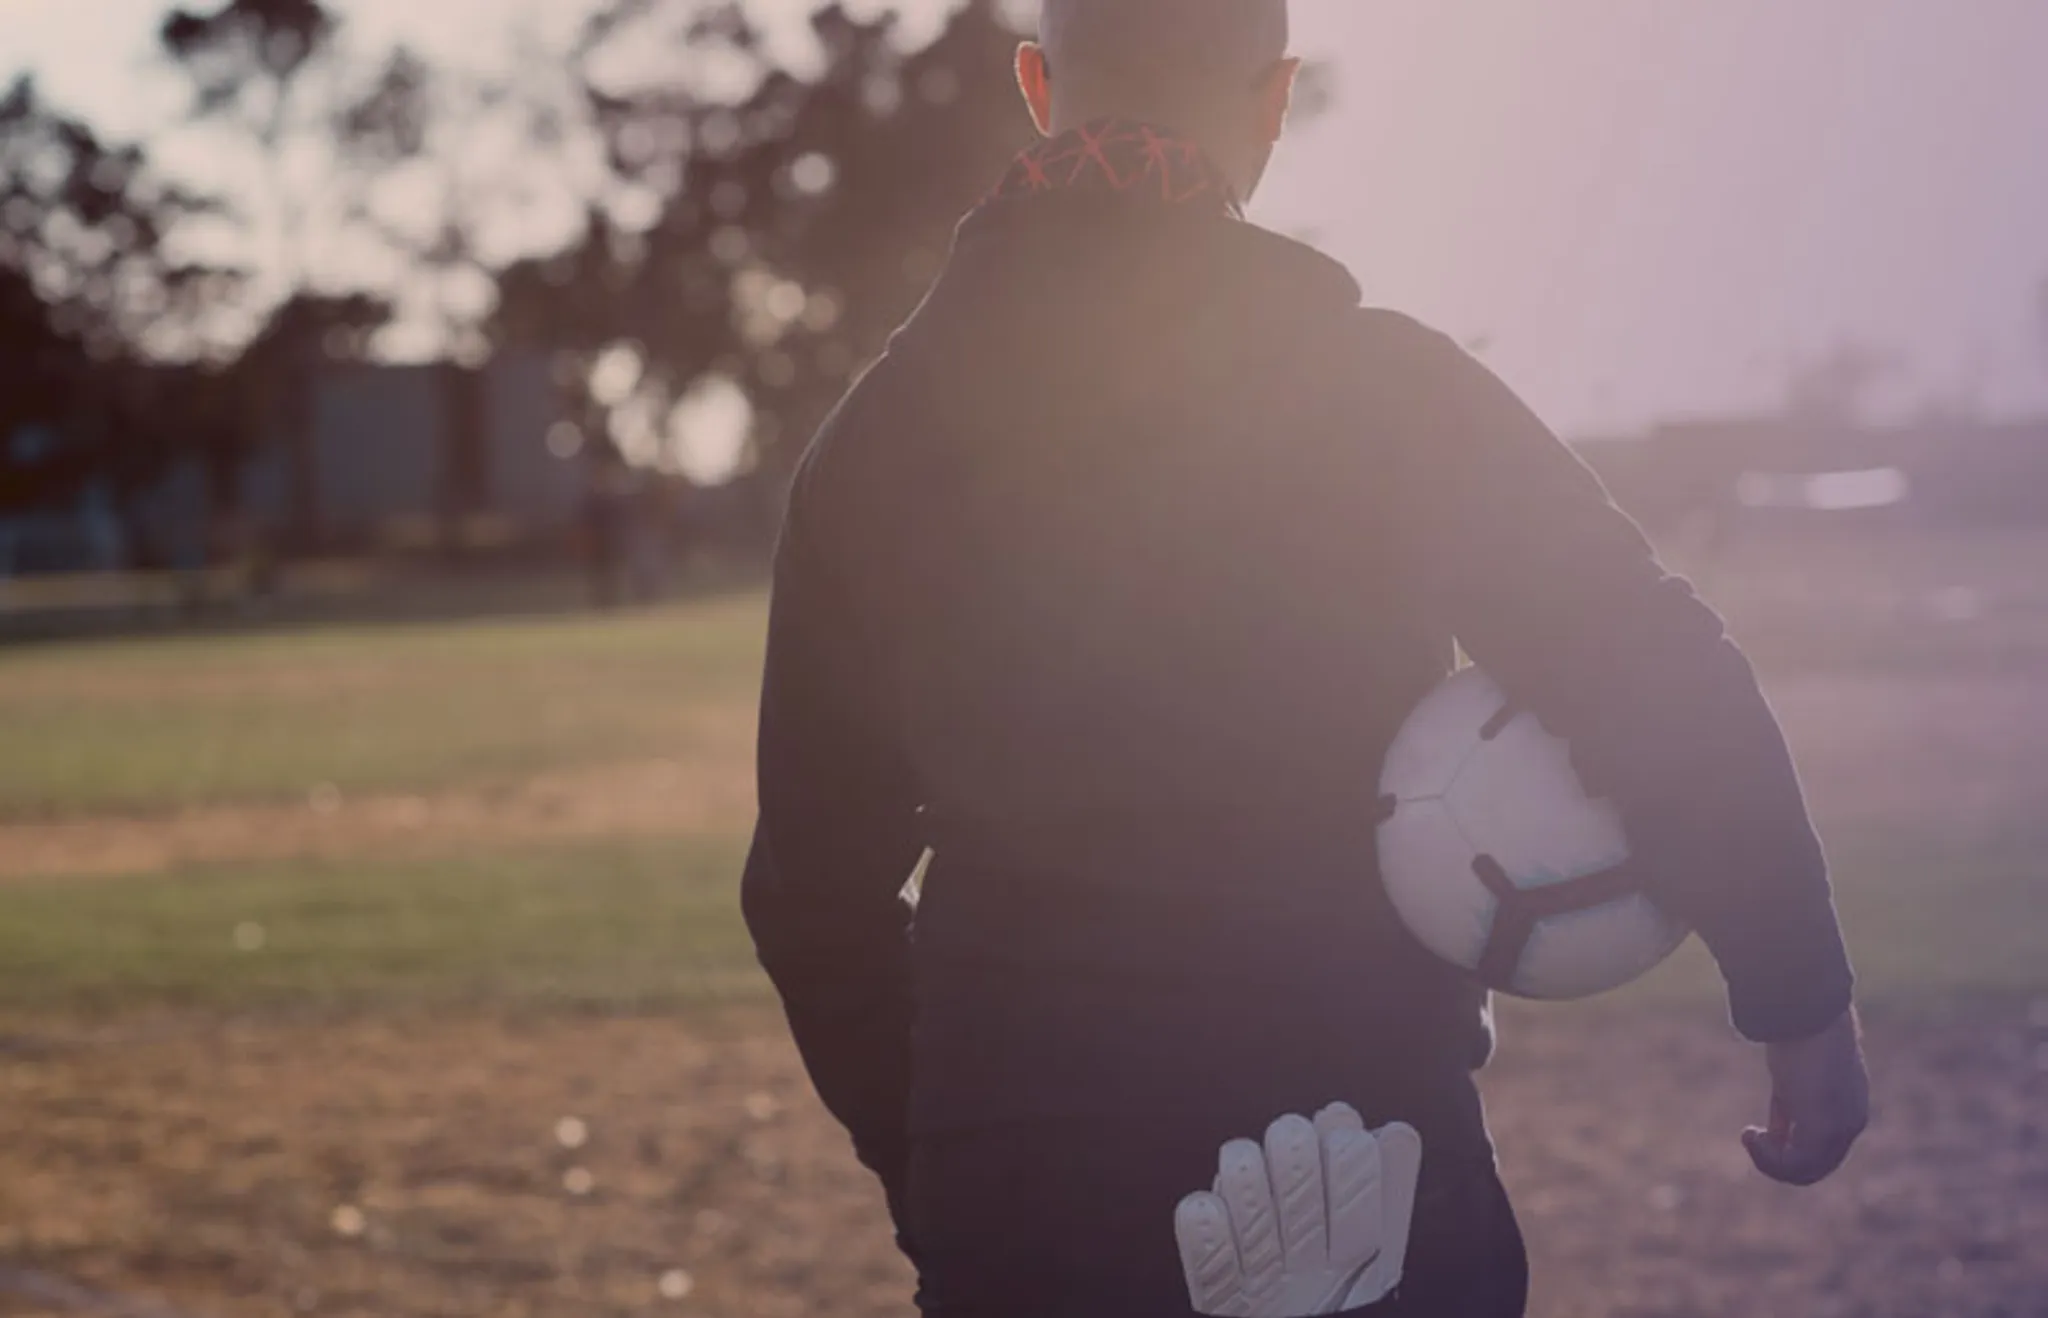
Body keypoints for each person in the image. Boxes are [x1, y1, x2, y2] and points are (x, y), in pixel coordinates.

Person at [741, 2, 1869, 1313]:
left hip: (1025, 1192)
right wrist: (1797, 992)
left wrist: (942, 1172)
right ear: (1275, 100)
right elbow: (1646, 661)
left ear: (1041, 84)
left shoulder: (865, 455)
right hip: (1360, 1155)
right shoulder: (1384, 389)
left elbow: (811, 895)